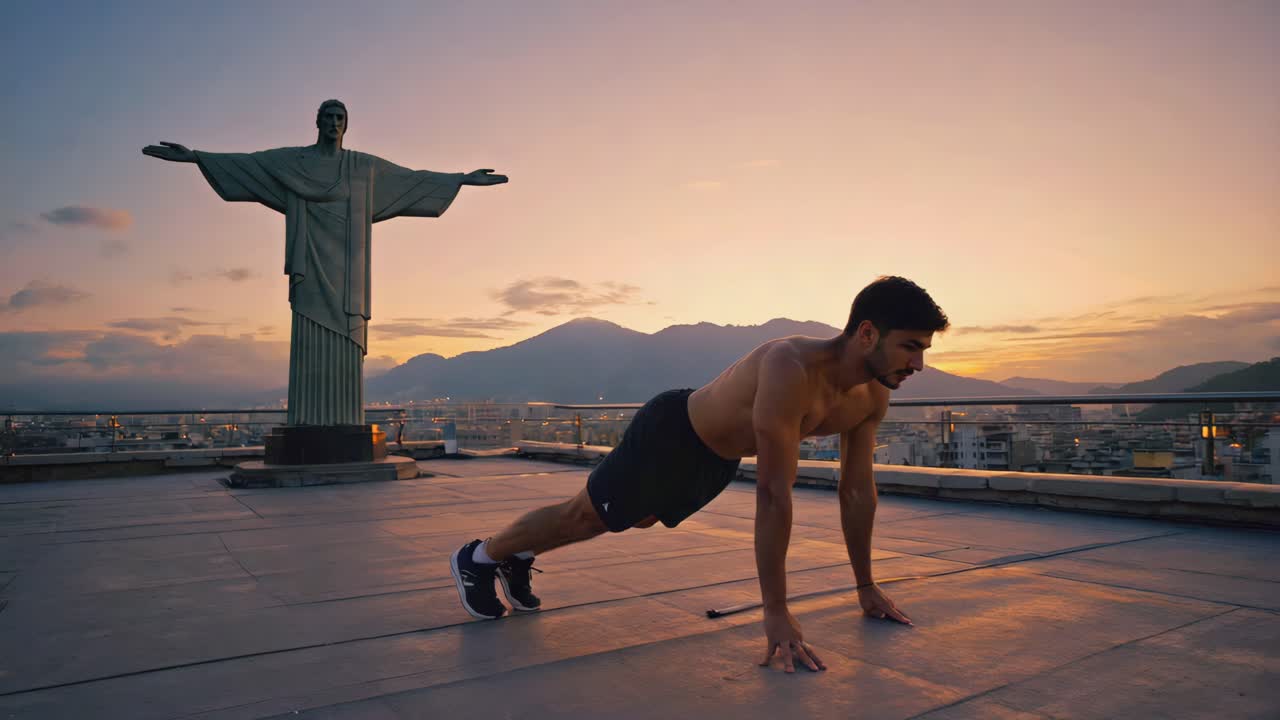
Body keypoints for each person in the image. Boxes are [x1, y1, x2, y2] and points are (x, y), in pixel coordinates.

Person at [450, 276, 948, 673]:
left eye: (923, 349)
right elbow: (775, 494)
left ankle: (516, 555)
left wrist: (866, 585)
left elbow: (857, 491)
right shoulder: (790, 367)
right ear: (867, 333)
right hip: (674, 432)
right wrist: (776, 611)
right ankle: (479, 556)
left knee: (636, 519)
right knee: (585, 517)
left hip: (716, 460)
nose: (918, 363)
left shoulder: (873, 394)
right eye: (910, 347)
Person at [143, 100, 506, 426]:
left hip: (349, 269)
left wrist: (460, 179)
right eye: (328, 117)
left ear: (346, 126)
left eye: (340, 118)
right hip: (310, 261)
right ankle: (309, 421)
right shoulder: (293, 162)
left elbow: (411, 180)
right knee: (308, 325)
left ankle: (344, 421)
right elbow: (249, 164)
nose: (334, 123)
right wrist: (196, 157)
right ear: (317, 122)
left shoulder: (363, 167)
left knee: (345, 334)